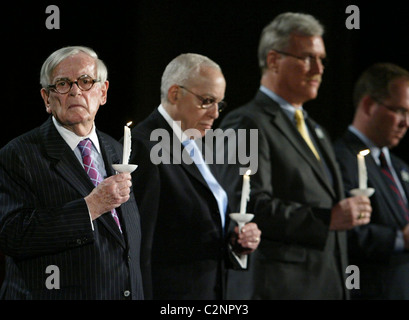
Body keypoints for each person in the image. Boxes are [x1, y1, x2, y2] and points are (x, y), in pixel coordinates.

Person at [215, 12, 372, 300]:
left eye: (322, 59)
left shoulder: (315, 129)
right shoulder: (246, 123)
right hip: (279, 288)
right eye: (307, 58)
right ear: (274, 60)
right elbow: (247, 204)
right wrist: (327, 219)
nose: (319, 69)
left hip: (327, 284)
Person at [0, 46, 144, 300]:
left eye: (86, 81)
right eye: (63, 84)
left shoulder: (117, 150)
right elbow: (13, 236)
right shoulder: (18, 154)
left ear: (103, 92)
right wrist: (90, 207)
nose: (76, 90)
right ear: (47, 98)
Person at [128, 53, 261, 300]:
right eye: (207, 101)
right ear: (174, 93)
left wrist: (236, 241)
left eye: (219, 104)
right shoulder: (143, 147)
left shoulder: (202, 144)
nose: (215, 114)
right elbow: (139, 248)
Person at [334, 62, 409, 299]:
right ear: (368, 104)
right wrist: (400, 239)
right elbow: (341, 231)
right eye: (399, 111)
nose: (405, 123)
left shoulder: (400, 167)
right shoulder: (338, 158)